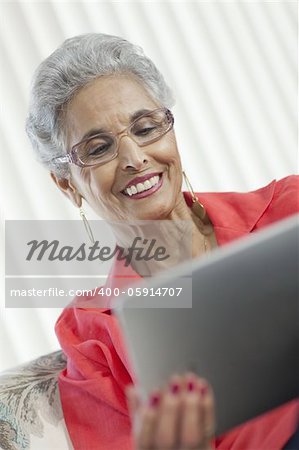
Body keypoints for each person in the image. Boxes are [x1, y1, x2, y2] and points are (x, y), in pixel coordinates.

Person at [5, 33, 298, 449]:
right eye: (98, 147)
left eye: (145, 128)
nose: (134, 157)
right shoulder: (94, 334)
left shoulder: (289, 206)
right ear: (66, 185)